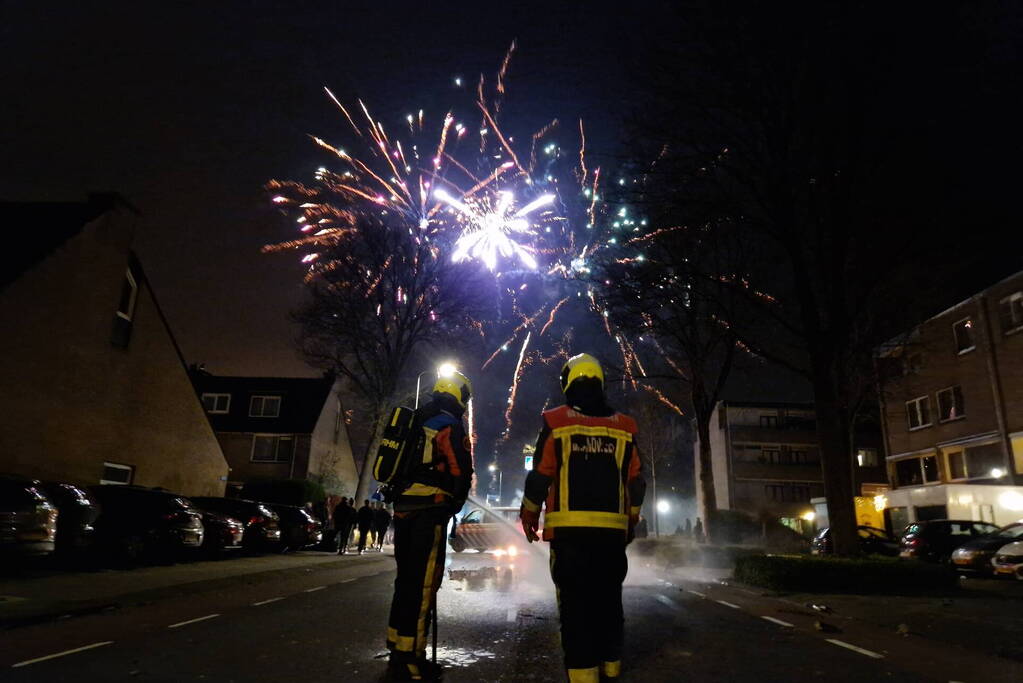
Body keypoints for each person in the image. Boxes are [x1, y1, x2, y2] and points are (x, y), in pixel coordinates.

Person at [519, 353, 645, 683]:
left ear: (568, 382)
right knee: (608, 603)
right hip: (611, 536)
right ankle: (611, 669)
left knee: (576, 609)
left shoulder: (556, 421)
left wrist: (530, 513)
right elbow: (636, 480)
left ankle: (583, 676)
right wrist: (631, 519)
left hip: (570, 535)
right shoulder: (626, 427)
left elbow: (540, 474)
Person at [385, 368, 474, 681]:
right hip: (429, 512)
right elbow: (461, 471)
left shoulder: (416, 419)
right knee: (422, 588)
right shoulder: (448, 423)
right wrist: (455, 503)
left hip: (403, 510)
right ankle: (412, 660)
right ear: (460, 395)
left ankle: (397, 647)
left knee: (404, 581)